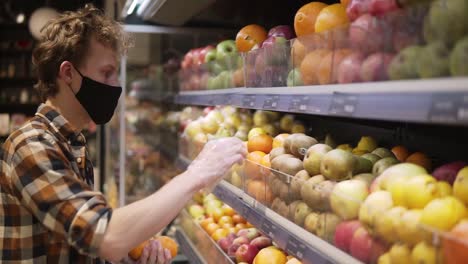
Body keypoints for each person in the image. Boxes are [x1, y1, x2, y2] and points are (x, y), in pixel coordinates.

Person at [0, 4, 246, 264]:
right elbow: (105, 237)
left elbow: (79, 239)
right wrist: (198, 173)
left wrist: (129, 250)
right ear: (68, 74)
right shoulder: (32, 145)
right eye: (107, 72)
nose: (116, 84)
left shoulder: (72, 142)